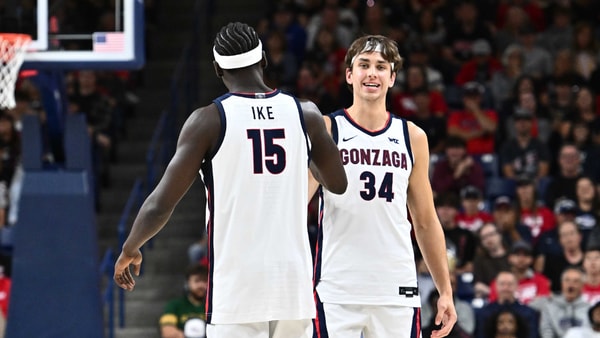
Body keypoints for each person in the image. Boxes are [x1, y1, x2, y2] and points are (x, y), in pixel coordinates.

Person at [113, 22, 348, 338]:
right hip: (293, 287)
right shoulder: (305, 113)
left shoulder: (206, 121)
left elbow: (160, 204)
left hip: (237, 290)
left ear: (216, 68)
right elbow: (337, 183)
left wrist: (131, 247)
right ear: (264, 59)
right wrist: (307, 154)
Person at [308, 35, 457, 337]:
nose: (372, 73)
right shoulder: (326, 129)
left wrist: (445, 290)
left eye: (380, 66)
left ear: (392, 77)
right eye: (363, 65)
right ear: (350, 74)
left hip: (396, 288)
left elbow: (426, 222)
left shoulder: (412, 137)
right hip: (338, 288)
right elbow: (295, 206)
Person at [159, 264, 208, 338]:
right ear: (188, 283)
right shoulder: (175, 305)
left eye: (204, 281)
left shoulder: (214, 307)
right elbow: (167, 332)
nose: (201, 285)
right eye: (197, 280)